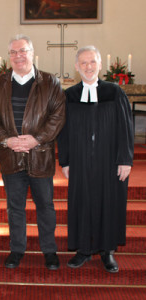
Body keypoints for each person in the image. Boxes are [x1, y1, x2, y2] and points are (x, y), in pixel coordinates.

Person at [0, 34, 65, 270]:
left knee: (46, 206)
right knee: (15, 207)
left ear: (32, 52)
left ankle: (49, 250)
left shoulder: (50, 82)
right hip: (11, 156)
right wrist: (6, 140)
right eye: (13, 52)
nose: (18, 56)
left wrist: (36, 139)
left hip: (40, 156)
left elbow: (57, 117)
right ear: (9, 56)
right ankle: (17, 249)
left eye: (23, 51)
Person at [57, 46, 134, 273]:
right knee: (82, 201)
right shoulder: (69, 95)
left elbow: (126, 128)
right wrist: (66, 161)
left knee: (108, 202)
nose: (88, 67)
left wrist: (125, 160)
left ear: (100, 65)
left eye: (92, 62)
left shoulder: (114, 92)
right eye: (83, 63)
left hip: (110, 160)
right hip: (80, 160)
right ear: (76, 66)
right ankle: (83, 249)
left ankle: (107, 251)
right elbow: (63, 131)